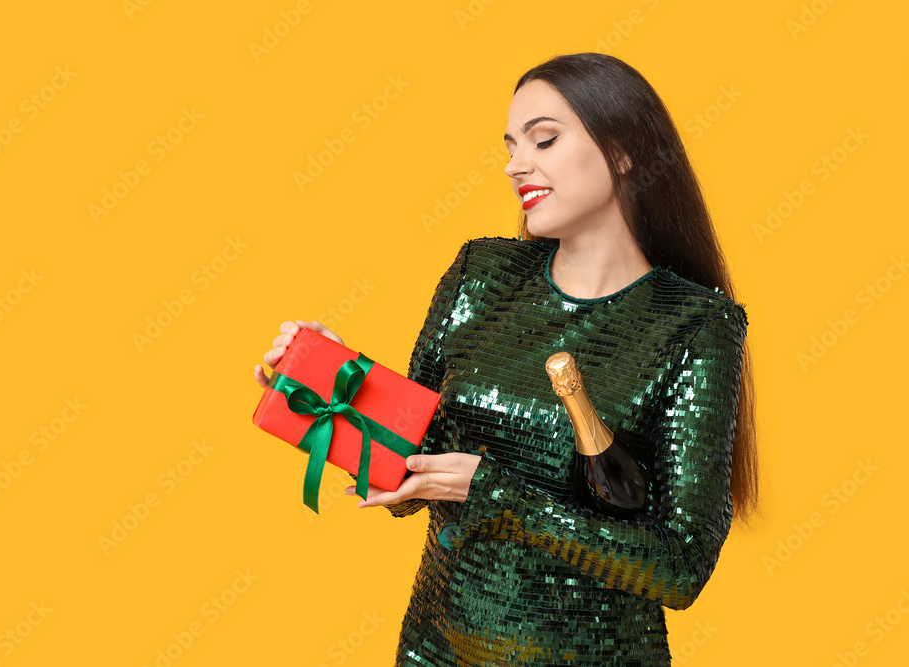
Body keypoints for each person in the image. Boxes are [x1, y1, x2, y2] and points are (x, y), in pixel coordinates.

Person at [255, 52, 758, 666]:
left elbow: (678, 569)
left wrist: (494, 494)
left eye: (543, 140)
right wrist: (335, 382)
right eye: (511, 146)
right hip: (434, 651)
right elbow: (410, 474)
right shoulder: (481, 273)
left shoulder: (695, 325)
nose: (516, 165)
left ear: (623, 150)